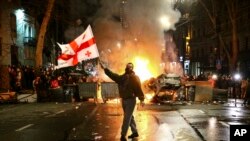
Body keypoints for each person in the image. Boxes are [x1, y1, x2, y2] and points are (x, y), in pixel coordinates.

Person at [100, 61, 145, 141]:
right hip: (124, 100)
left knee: (127, 118)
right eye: (128, 66)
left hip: (131, 100)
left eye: (131, 66)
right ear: (126, 67)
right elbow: (113, 75)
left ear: (132, 68)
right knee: (130, 117)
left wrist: (142, 99)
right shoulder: (122, 78)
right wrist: (105, 69)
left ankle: (123, 135)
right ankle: (135, 132)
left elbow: (138, 89)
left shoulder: (135, 78)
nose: (129, 68)